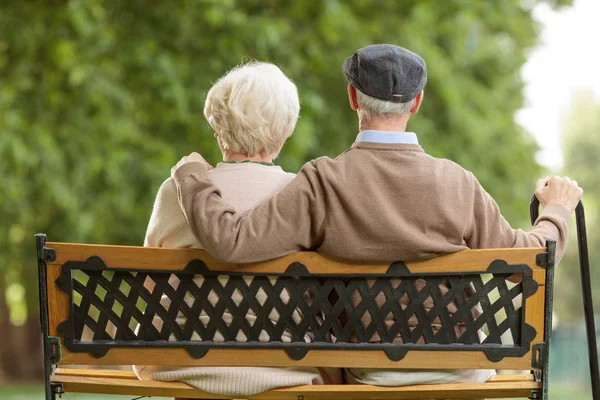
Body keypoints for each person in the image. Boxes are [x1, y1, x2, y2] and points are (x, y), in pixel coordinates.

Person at [168, 44, 583, 386]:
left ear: (352, 97)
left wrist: (191, 174)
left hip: (369, 371)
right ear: (416, 102)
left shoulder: (323, 181)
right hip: (459, 368)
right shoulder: (456, 182)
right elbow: (529, 260)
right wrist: (557, 211)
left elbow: (232, 241)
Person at [133, 61, 339, 396]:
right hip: (286, 367)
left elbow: (149, 283)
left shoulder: (175, 192)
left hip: (181, 365)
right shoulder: (302, 196)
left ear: (218, 129)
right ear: (285, 130)